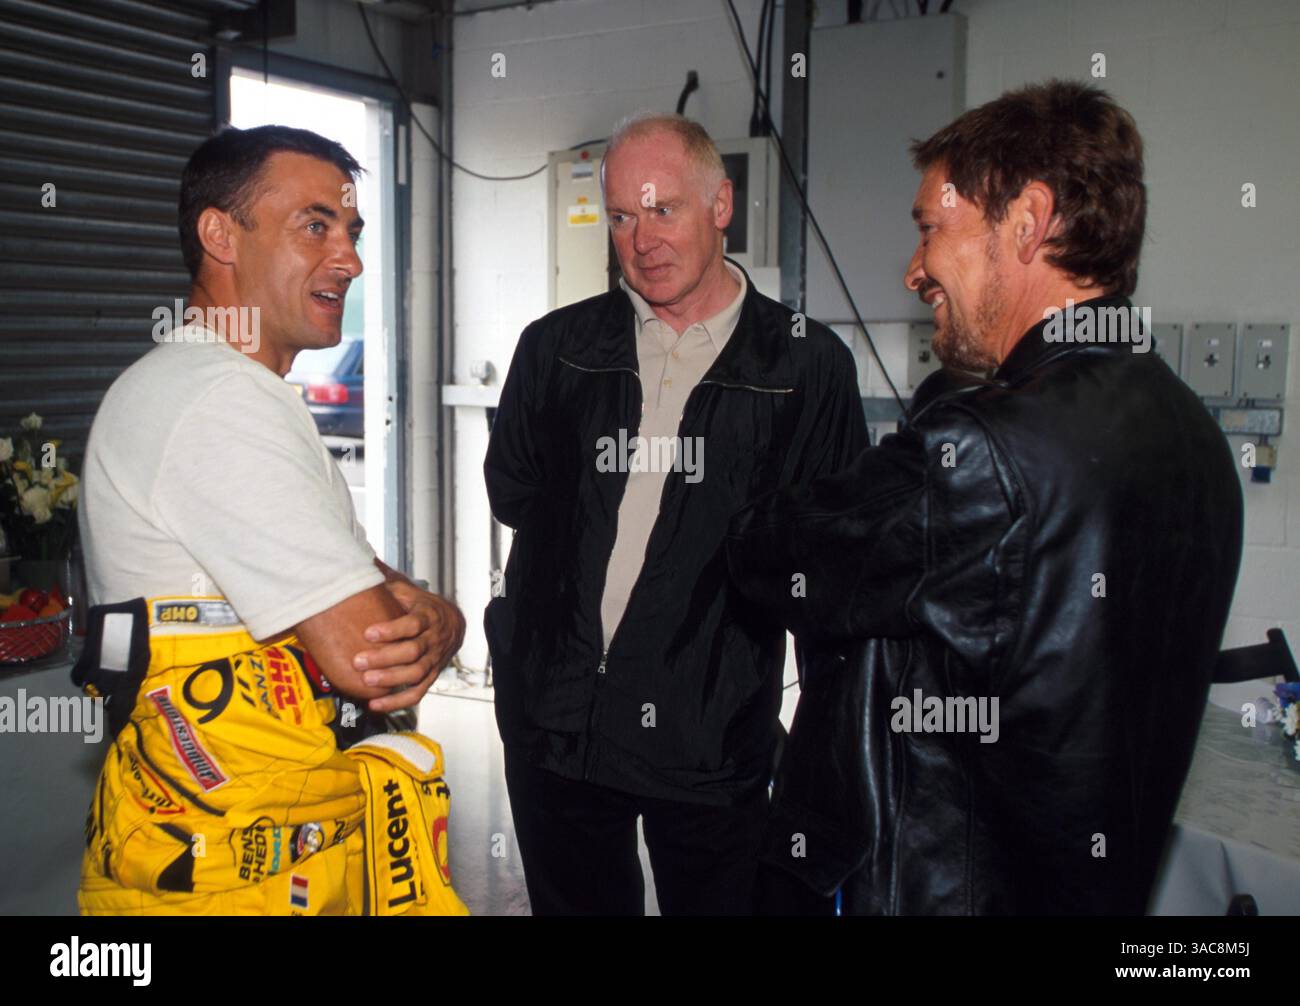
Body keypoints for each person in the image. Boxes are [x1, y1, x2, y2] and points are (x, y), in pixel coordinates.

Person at [728, 80, 1244, 915]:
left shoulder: (983, 451)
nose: (914, 268)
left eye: (931, 228)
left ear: (1028, 220)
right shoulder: (1195, 440)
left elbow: (769, 555)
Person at [74, 125, 467, 915]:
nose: (349, 258)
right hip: (227, 882)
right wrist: (438, 616)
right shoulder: (213, 400)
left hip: (274, 861)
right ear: (219, 234)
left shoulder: (238, 396)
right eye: (314, 225)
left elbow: (371, 590)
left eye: (352, 232)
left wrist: (432, 617)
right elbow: (372, 655)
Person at [484, 112, 866, 915]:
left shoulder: (804, 364)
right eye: (622, 215)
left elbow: (827, 564)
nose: (641, 239)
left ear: (721, 205)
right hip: (557, 727)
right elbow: (513, 490)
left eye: (664, 210)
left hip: (709, 736)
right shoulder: (556, 347)